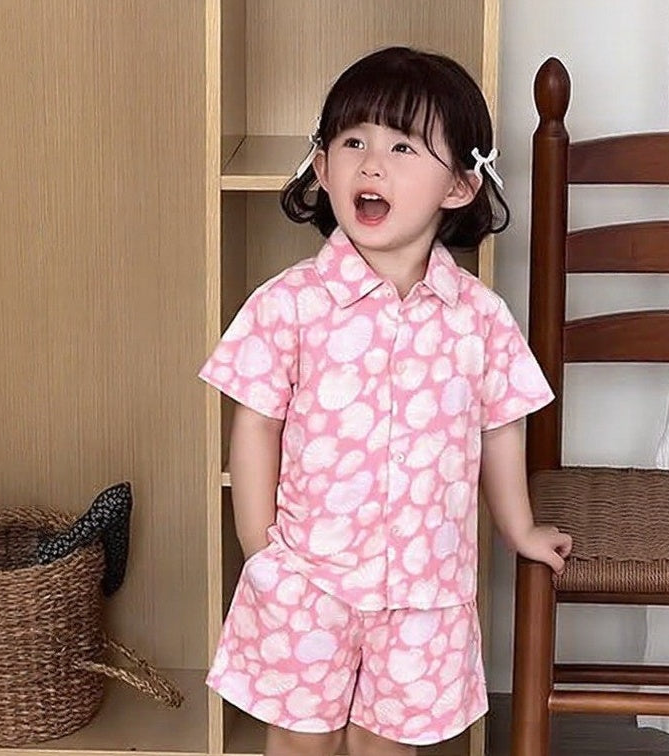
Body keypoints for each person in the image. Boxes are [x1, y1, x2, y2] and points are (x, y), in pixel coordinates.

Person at [199, 46, 572, 756]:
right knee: (301, 742)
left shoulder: (479, 318)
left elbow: (500, 430)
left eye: (402, 146)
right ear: (321, 168)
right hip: (308, 580)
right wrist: (260, 549)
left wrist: (519, 529)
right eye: (353, 142)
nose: (372, 163)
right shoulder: (288, 305)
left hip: (426, 592)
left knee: (387, 744)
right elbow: (256, 426)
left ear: (460, 185)